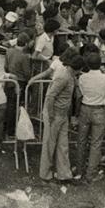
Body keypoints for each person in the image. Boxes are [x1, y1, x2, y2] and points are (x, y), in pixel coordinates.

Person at [38, 53, 77, 183]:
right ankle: (45, 174)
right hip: (54, 114)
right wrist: (50, 115)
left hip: (63, 114)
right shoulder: (63, 76)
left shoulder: (70, 76)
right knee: (49, 143)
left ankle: (64, 174)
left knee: (63, 144)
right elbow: (50, 96)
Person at [75, 55, 105, 181]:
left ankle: (79, 169)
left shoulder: (82, 77)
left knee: (81, 140)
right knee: (96, 143)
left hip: (85, 108)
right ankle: (91, 173)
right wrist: (104, 70)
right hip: (99, 110)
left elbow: (81, 93)